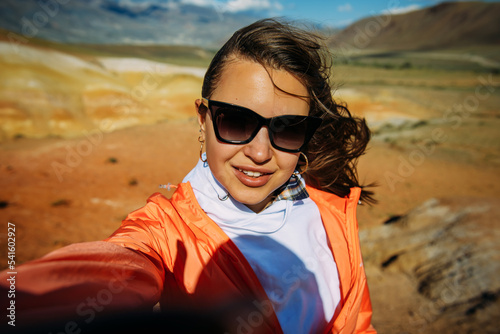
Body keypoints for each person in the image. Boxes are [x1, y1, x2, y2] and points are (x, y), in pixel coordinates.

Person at [0, 19, 375, 333]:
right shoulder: (165, 233)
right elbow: (116, 268)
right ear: (203, 118)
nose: (260, 153)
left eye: (288, 128)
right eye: (237, 121)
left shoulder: (329, 203)